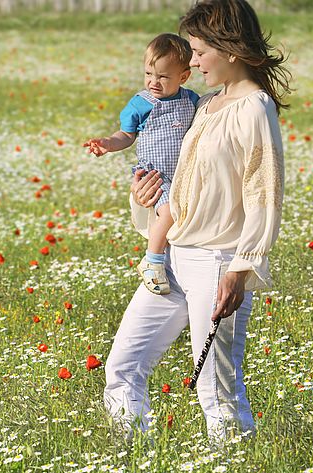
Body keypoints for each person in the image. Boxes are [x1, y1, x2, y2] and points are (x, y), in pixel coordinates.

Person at [103, 0, 291, 444]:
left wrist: (240, 270)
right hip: (172, 256)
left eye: (199, 50)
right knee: (123, 366)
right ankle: (132, 460)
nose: (192, 60)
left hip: (216, 262)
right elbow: (179, 180)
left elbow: (264, 193)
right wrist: (143, 198)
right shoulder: (204, 105)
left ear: (230, 49)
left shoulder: (254, 108)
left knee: (217, 388)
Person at [84, 33, 200, 295]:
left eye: (162, 76)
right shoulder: (140, 104)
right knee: (169, 212)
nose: (154, 82)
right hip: (156, 174)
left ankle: (174, 260)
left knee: (182, 214)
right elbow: (125, 135)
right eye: (149, 74)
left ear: (183, 77)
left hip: (181, 173)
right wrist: (108, 143)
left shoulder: (190, 100)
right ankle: (153, 261)